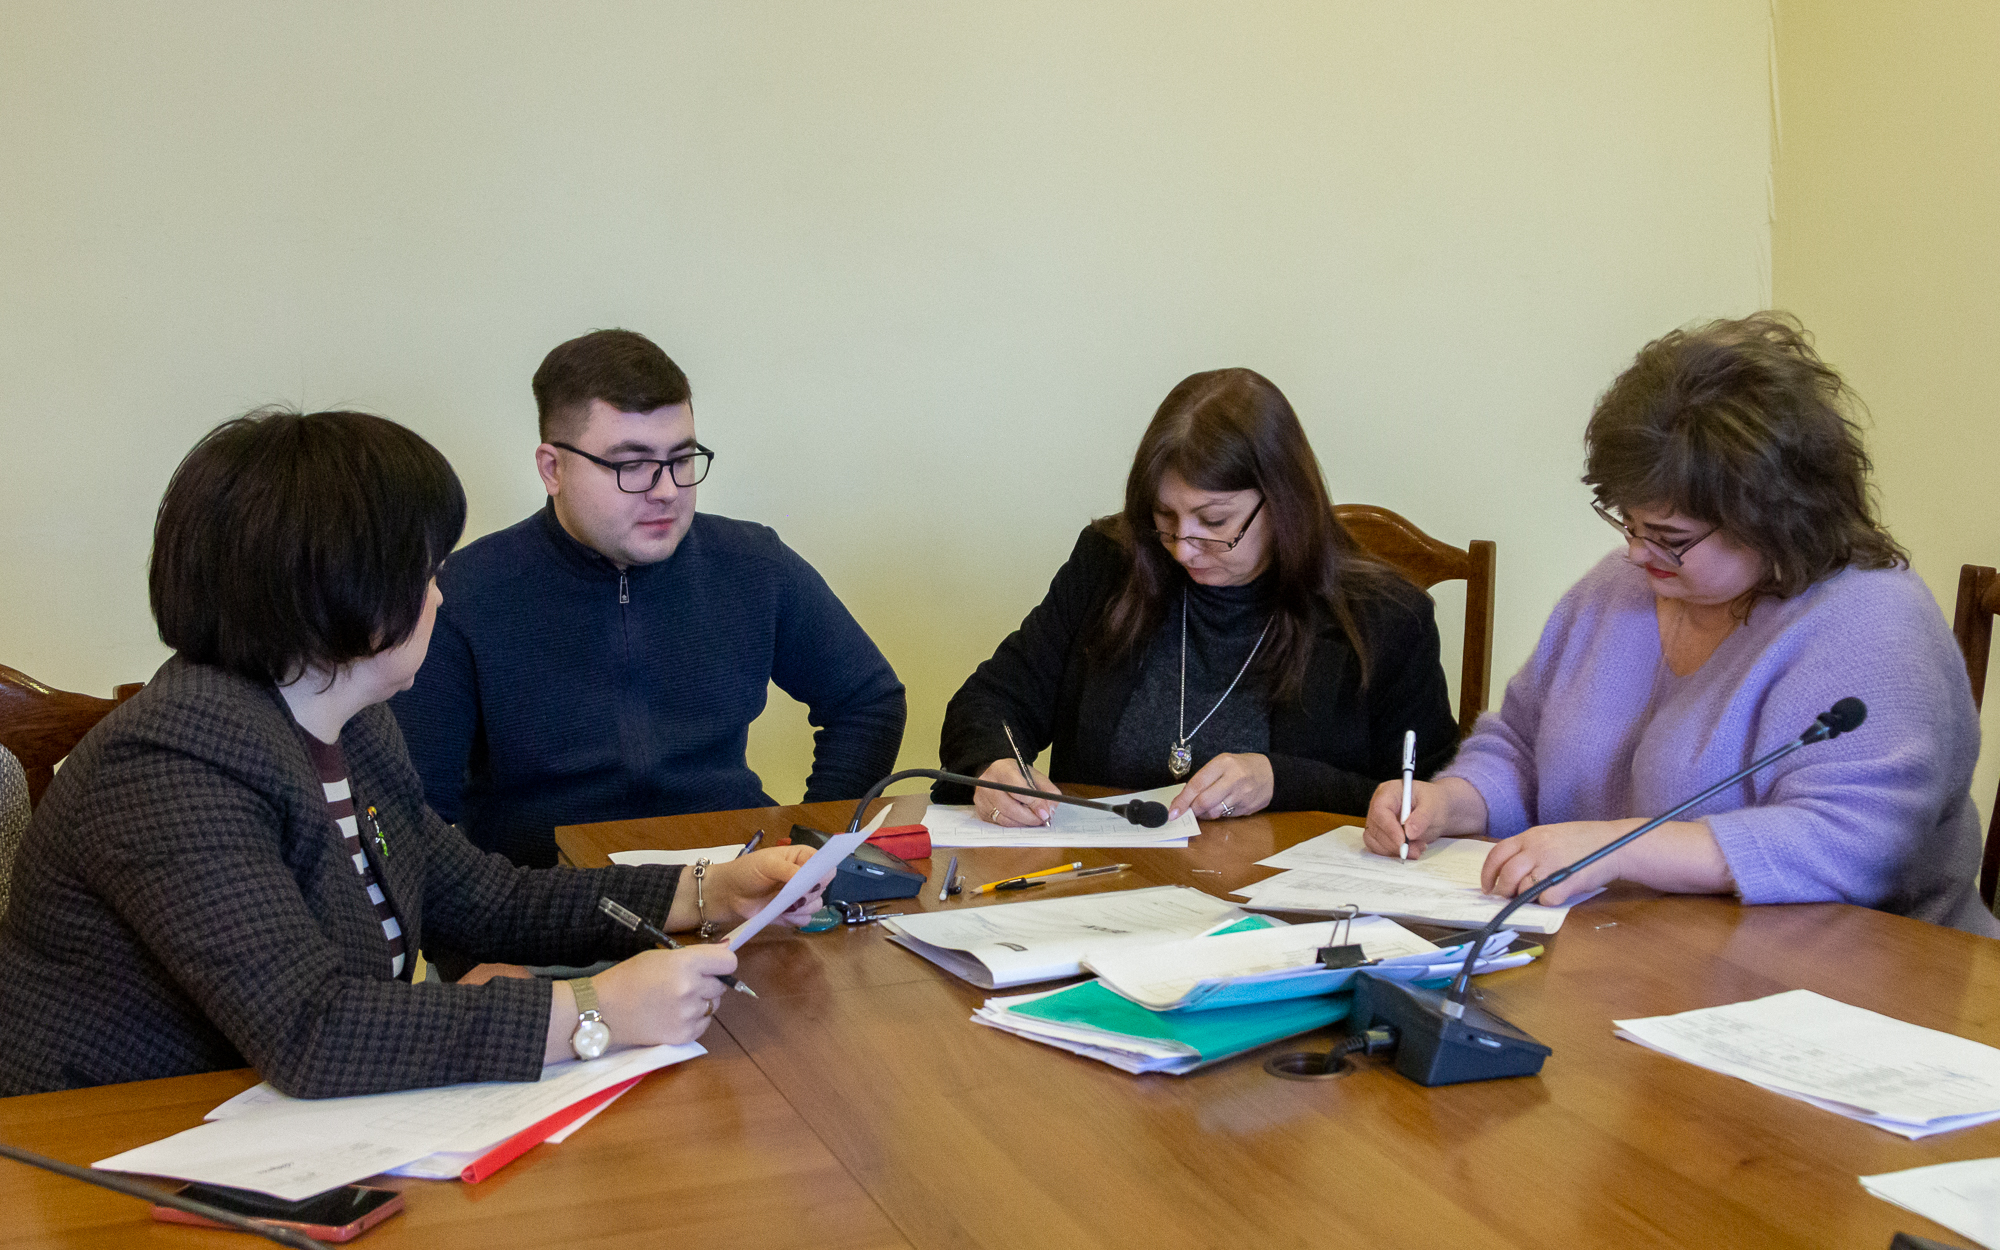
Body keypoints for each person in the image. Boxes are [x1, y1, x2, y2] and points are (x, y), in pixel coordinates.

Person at [0, 410, 827, 1098]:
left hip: (279, 1128)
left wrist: (709, 889)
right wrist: (594, 1009)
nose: (439, 595)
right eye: (426, 572)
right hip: (111, 1147)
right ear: (343, 593)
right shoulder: (171, 766)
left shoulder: (351, 724)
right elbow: (314, 1030)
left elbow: (485, 900)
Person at [1364, 313, 2000, 937]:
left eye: (1671, 538)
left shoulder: (1874, 620)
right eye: (1628, 522)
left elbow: (1852, 844)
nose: (1638, 552)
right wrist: (1450, 803)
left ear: (1773, 518)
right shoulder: (1614, 589)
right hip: (1635, 951)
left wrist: (1618, 848)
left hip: (1869, 974)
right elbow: (1520, 747)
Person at [391, 329, 906, 870]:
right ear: (553, 469)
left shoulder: (753, 563)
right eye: (631, 465)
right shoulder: (461, 597)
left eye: (681, 459)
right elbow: (416, 816)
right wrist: (487, 921)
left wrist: (814, 848)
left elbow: (868, 700)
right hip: (553, 901)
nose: (666, 490)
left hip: (735, 882)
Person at [938, 367, 1459, 823]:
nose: (1183, 548)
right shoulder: (1109, 565)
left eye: (1214, 522)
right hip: (1104, 882)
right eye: (1165, 517)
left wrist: (1281, 781)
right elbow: (989, 701)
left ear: (1283, 502)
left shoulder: (1386, 618)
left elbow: (1426, 799)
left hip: (1282, 899)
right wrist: (993, 766)